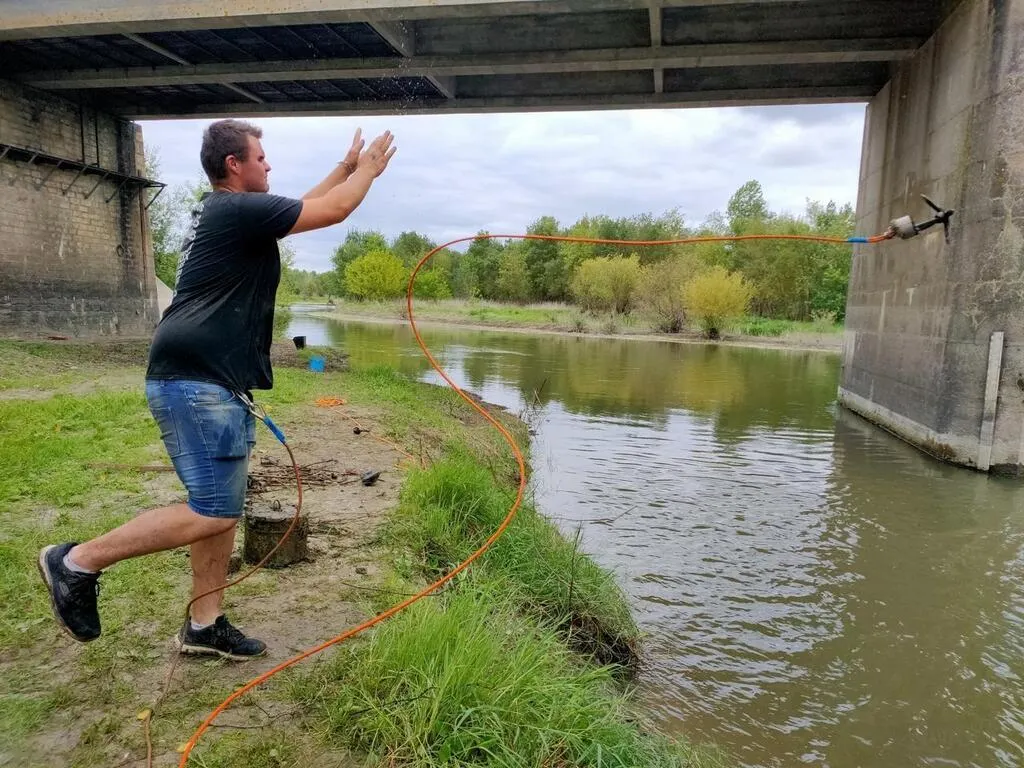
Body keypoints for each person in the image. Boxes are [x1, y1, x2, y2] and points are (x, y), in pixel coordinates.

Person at [37, 118, 396, 660]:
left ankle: (204, 624)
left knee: (219, 508)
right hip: (195, 378)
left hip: (212, 379)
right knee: (213, 510)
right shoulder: (234, 211)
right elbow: (334, 210)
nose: (268, 165)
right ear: (234, 164)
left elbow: (305, 205)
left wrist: (347, 167)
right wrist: (367, 170)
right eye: (260, 157)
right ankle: (76, 562)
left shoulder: (234, 214)